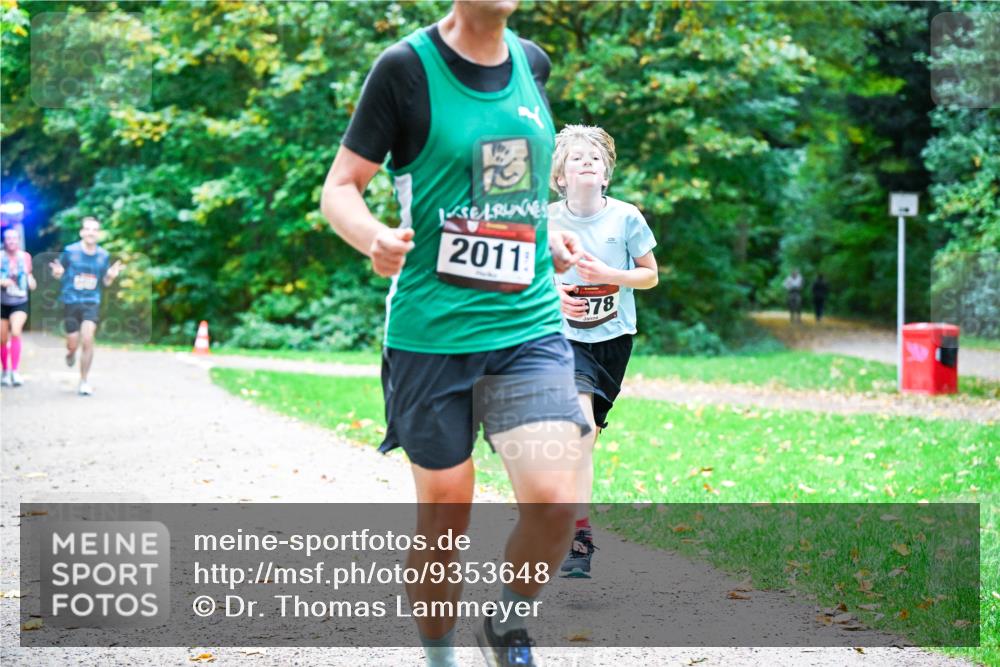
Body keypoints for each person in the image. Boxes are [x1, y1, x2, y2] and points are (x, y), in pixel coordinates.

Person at [319, 2, 588, 666]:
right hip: (431, 334)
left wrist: (544, 234)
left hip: (526, 324)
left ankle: (507, 623)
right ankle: (439, 656)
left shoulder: (531, 63)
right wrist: (373, 236)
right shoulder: (406, 70)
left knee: (557, 500)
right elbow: (340, 187)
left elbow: (508, 183)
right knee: (445, 521)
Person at [548, 125, 658, 578]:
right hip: (563, 339)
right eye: (577, 158)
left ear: (607, 174)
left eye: (595, 158)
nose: (587, 162)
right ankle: (580, 535)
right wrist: (556, 289)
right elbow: (527, 275)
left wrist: (613, 273)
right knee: (579, 431)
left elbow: (650, 275)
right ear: (560, 177)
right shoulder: (546, 219)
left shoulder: (627, 217)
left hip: (614, 339)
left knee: (586, 438)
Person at [48, 216, 124, 396]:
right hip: (71, 301)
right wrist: (57, 273)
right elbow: (59, 273)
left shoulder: (103, 255)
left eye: (95, 229)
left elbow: (104, 281)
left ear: (98, 233)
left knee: (88, 340)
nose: (91, 233)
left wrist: (111, 276)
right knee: (73, 343)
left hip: (91, 302)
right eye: (87, 229)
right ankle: (70, 353)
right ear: (82, 232)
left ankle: (84, 381)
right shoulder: (70, 251)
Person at [1, 227, 37, 387]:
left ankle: (15, 371)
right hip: (2, 302)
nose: (12, 241)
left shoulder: (25, 257)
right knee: (2, 339)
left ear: (18, 240)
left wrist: (31, 281)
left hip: (19, 301)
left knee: (16, 332)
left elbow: (29, 275)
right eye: (8, 238)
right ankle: (5, 371)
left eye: (14, 238)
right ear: (4, 240)